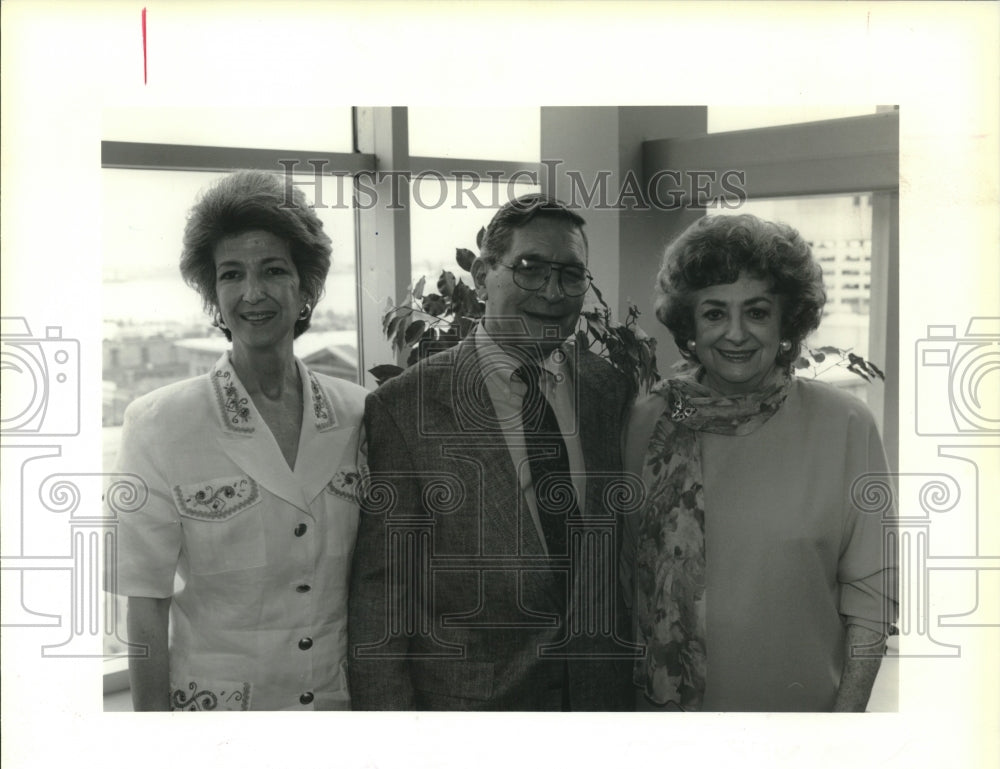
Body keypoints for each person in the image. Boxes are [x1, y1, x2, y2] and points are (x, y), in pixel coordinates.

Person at [348, 194, 636, 710]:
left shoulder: (607, 389)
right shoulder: (405, 408)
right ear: (482, 277)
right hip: (472, 721)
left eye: (571, 275)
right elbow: (384, 597)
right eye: (529, 269)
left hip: (601, 707)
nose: (552, 291)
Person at [109, 170, 367, 711]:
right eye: (232, 274)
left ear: (306, 287)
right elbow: (146, 606)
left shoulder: (358, 413)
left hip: (339, 715)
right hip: (217, 730)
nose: (253, 293)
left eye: (274, 270)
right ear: (213, 295)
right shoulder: (158, 424)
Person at [623, 213, 897, 712]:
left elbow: (873, 602)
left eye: (756, 312)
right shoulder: (646, 423)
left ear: (786, 321)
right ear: (688, 324)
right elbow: (615, 582)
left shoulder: (845, 426)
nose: (735, 334)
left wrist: (844, 728)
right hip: (662, 730)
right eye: (713, 313)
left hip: (799, 724)